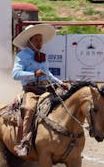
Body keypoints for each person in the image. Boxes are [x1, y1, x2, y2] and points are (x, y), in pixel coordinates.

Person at [12, 24, 68, 157]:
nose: (40, 43)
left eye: (41, 40)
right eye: (36, 40)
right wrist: (33, 74)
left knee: (64, 105)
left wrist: (60, 83)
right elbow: (15, 74)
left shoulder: (42, 56)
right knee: (30, 109)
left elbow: (47, 74)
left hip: (46, 88)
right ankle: (24, 142)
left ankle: (64, 142)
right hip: (31, 90)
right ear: (30, 41)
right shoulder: (22, 55)